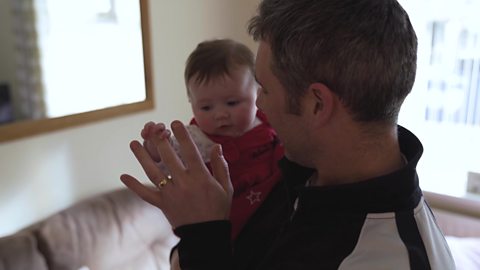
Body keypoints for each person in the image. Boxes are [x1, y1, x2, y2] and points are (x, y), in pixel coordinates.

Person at [121, 0, 456, 269]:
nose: (259, 104)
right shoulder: (307, 177)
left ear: (317, 104)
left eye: (263, 89)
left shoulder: (382, 259)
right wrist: (196, 238)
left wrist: (202, 236)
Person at [141, 38, 283, 240]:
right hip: (232, 229)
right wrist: (155, 145)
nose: (220, 114)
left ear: (258, 93)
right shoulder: (196, 140)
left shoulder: (269, 121)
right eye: (206, 107)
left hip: (277, 215)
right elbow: (168, 163)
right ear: (191, 103)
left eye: (232, 102)